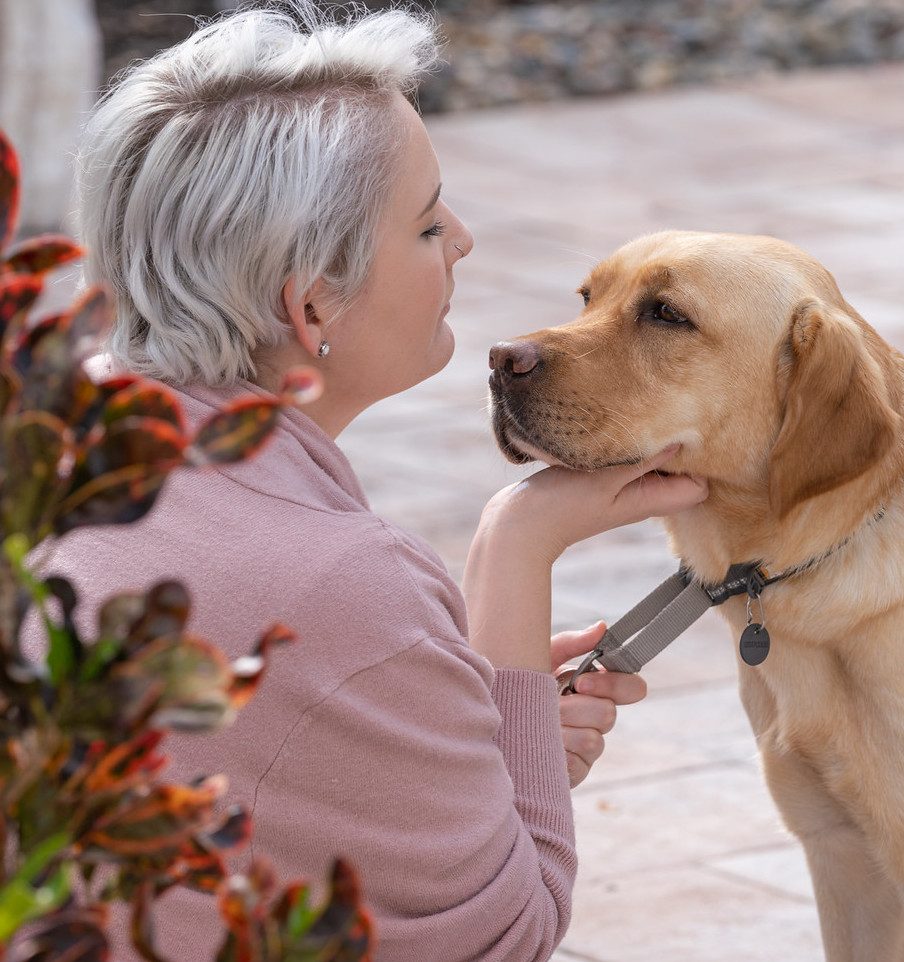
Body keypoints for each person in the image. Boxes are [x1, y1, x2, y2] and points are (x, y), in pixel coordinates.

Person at [32, 3, 708, 959]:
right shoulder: (338, 587)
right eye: (428, 224)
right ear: (312, 306)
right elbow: (508, 932)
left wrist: (450, 734)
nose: (465, 239)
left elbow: (256, 783)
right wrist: (517, 544)